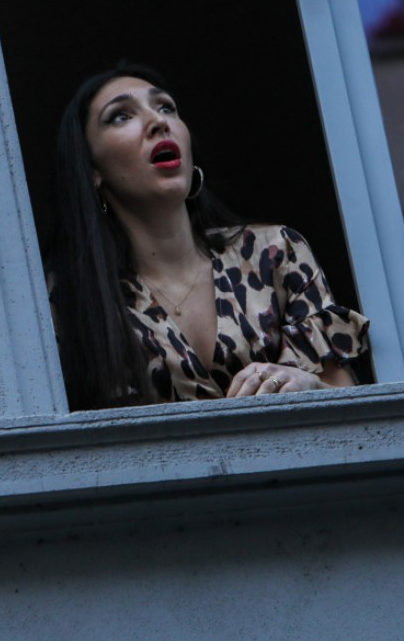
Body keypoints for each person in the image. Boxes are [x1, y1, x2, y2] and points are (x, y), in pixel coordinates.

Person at [48, 63, 370, 410]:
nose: (158, 122)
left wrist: (309, 385)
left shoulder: (275, 252)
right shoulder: (71, 297)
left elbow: (353, 417)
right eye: (121, 116)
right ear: (93, 171)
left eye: (165, 107)